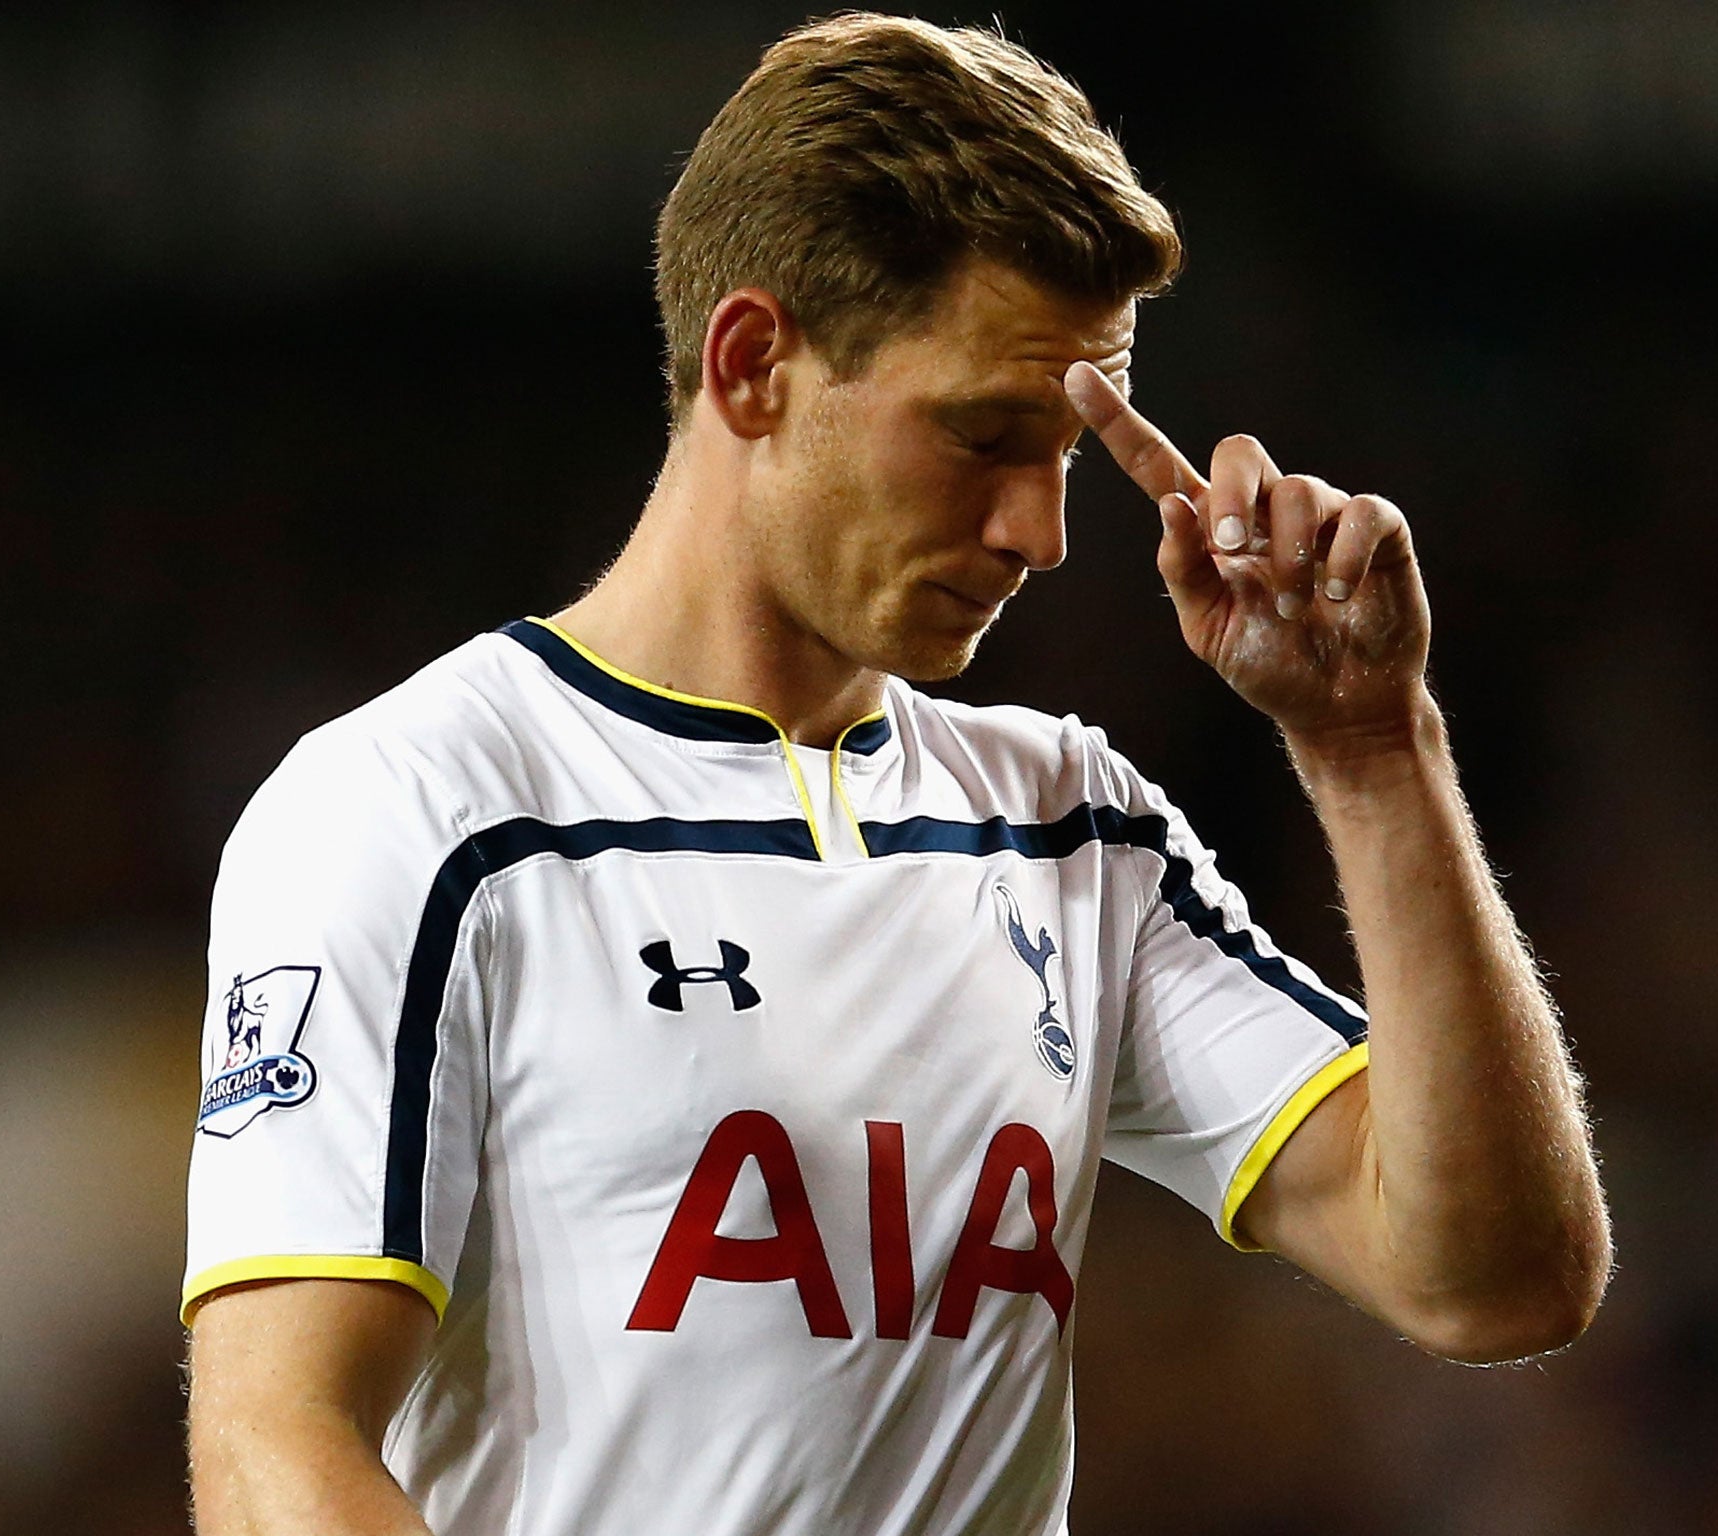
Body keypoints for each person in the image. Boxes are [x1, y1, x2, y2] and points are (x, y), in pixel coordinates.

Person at [182, 14, 1611, 1535]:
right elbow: (279, 1453)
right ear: (754, 367)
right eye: (983, 437)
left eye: (1064, 456)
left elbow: (1496, 1281)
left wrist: (1375, 752)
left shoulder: (1066, 828)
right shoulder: (426, 812)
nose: (1039, 535)